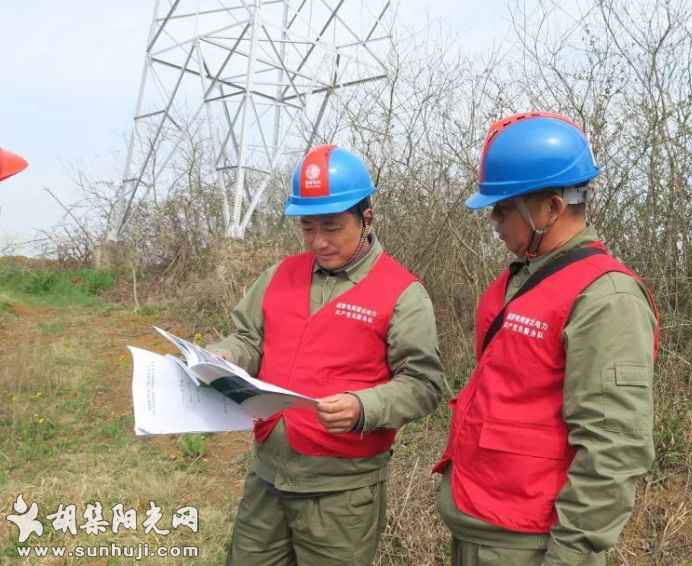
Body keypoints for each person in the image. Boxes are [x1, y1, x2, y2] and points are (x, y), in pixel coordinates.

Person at [433, 112, 660, 566]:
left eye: (503, 209)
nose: (494, 221)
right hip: (482, 523)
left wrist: (569, 555)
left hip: (531, 545)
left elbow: (613, 446)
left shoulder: (606, 298)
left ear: (552, 208)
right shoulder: (518, 277)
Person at [209, 144, 444, 566]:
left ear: (366, 217)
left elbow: (424, 385)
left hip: (341, 494)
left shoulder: (403, 293)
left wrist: (363, 406)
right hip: (268, 478)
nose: (318, 241)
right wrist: (225, 355)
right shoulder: (280, 275)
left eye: (332, 227)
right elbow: (249, 338)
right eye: (308, 228)